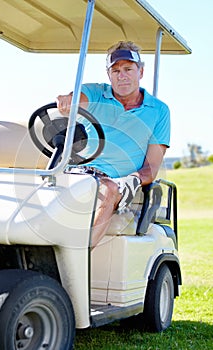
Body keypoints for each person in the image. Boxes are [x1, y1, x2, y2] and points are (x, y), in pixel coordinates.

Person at [56, 41, 170, 248]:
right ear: (109, 75)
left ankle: (79, 257)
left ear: (141, 72)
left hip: (120, 182)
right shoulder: (94, 92)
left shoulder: (159, 110)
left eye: (128, 69)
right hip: (80, 173)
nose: (122, 75)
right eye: (115, 70)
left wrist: (131, 180)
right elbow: (77, 99)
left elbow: (151, 167)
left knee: (107, 189)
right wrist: (67, 100)